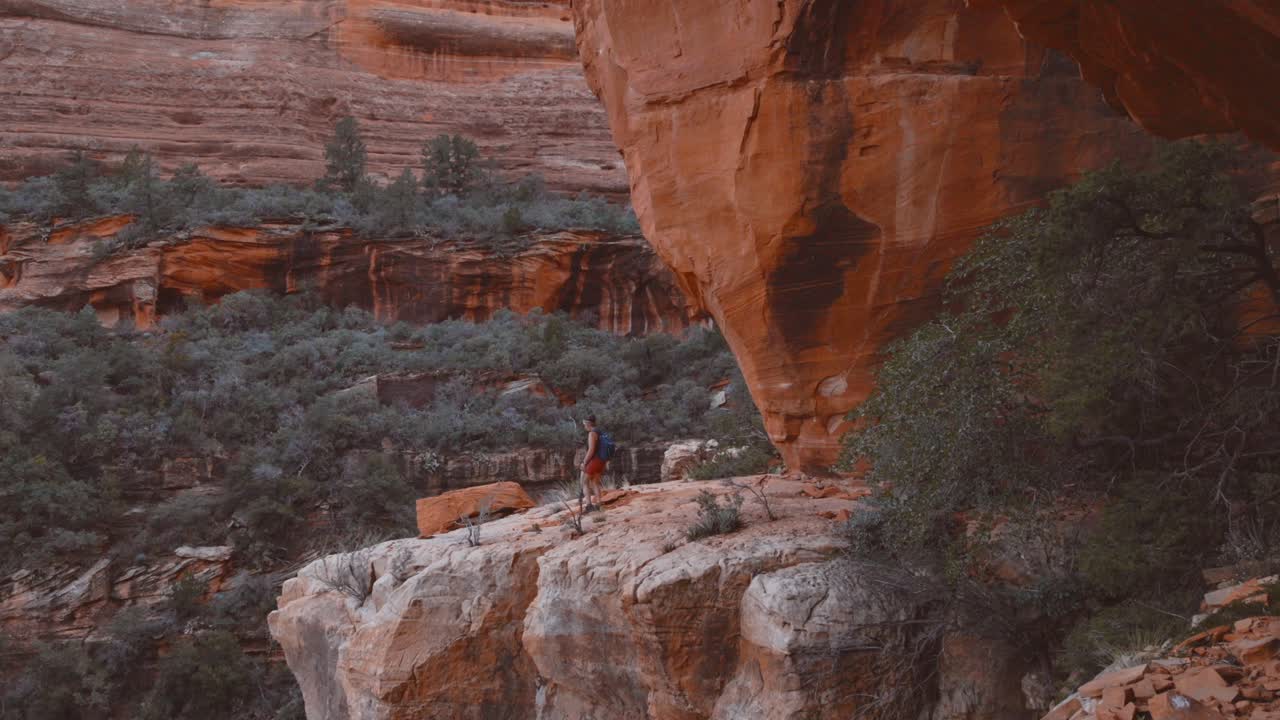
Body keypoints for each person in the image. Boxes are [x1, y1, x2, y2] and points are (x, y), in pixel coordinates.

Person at [580, 416, 606, 512]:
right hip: (602, 461)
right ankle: (599, 505)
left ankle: (589, 506)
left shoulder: (592, 433)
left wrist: (584, 462)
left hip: (594, 461)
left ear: (588, 424)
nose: (584, 427)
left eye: (584, 425)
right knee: (595, 482)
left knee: (584, 482)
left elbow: (591, 450)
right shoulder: (601, 432)